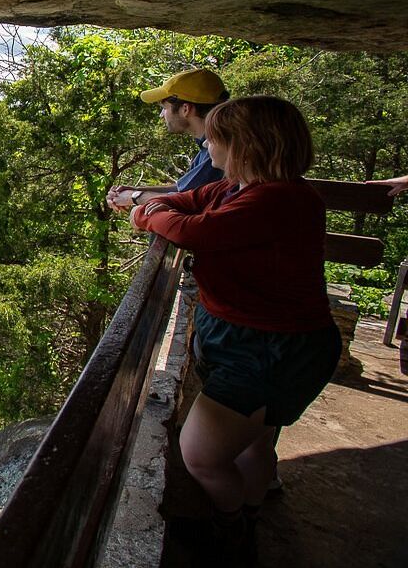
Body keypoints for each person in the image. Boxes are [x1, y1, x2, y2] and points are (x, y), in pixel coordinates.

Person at [130, 96, 340, 561]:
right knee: (255, 444)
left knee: (201, 453)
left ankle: (230, 529)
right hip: (258, 339)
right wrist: (159, 206)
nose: (209, 146)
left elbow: (192, 231)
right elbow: (183, 202)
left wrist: (143, 212)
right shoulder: (235, 190)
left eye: (217, 139)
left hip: (272, 348)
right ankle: (248, 514)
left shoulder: (279, 200)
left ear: (244, 145)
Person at [107, 68, 230, 211]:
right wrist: (136, 189)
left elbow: (186, 199)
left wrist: (134, 196)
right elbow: (182, 188)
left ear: (185, 109)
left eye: (164, 108)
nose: (161, 115)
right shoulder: (208, 146)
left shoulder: (220, 150)